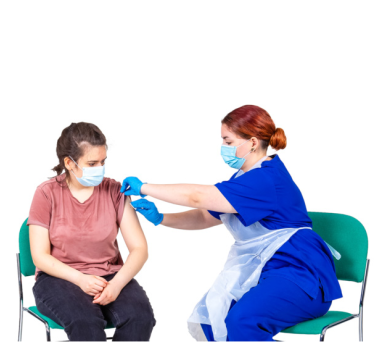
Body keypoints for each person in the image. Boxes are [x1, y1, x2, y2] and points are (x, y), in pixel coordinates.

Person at [121, 105, 341, 341]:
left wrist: (145, 188)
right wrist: (162, 218)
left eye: (228, 141)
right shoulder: (242, 179)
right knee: (211, 323)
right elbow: (205, 215)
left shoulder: (266, 178)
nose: (223, 148)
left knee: (241, 322)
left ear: (253, 142)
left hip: (301, 278)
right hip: (266, 272)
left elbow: (198, 196)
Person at [28, 122, 156, 341]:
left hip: (109, 274)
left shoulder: (115, 191)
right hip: (59, 277)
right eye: (92, 163)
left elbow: (139, 248)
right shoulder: (46, 193)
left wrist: (116, 284)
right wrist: (80, 279)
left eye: (103, 161)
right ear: (69, 163)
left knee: (140, 318)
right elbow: (40, 256)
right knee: (85, 322)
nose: (100, 168)